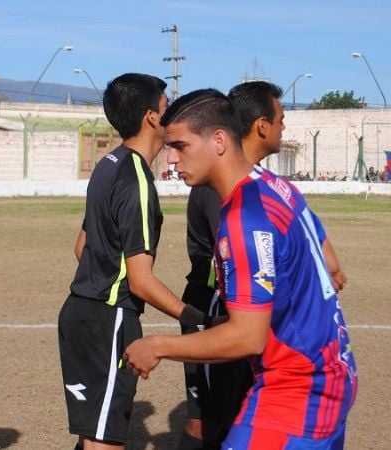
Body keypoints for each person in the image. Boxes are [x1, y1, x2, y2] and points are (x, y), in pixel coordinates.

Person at [124, 89, 358, 449]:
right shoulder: (273, 186)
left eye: (180, 146)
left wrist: (158, 346)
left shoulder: (243, 219)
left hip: (297, 394)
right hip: (323, 378)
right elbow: (316, 266)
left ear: (218, 140)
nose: (170, 158)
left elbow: (248, 337)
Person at [61, 73, 207, 450]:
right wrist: (194, 317)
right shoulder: (137, 179)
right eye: (167, 104)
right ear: (152, 117)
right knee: (104, 443)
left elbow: (83, 247)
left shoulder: (108, 163)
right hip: (108, 319)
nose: (172, 110)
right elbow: (140, 281)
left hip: (82, 314)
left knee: (93, 436)